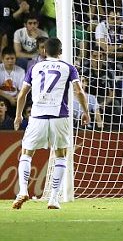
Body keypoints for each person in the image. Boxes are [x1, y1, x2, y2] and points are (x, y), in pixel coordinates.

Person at [11, 38, 90, 210]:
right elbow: (78, 91)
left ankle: (23, 190)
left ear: (44, 51)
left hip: (38, 115)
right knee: (61, 155)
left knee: (26, 153)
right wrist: (85, 112)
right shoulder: (69, 68)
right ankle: (54, 198)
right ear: (60, 52)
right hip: (59, 115)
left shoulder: (35, 67)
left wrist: (18, 116)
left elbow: (22, 94)